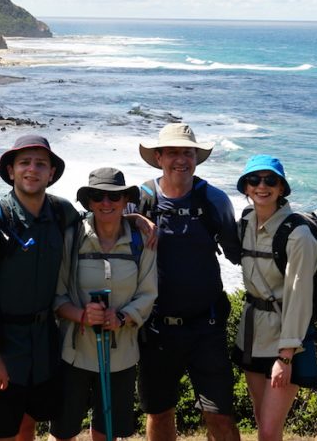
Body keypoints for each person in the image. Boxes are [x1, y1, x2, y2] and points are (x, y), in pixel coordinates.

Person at [0, 134, 80, 441]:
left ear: (51, 173)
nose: (32, 170)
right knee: (0, 433)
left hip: (43, 346)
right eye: (24, 162)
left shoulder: (61, 213)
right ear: (11, 171)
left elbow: (100, 222)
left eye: (41, 164)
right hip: (2, 344)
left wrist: (134, 220)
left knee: (28, 425)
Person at [134, 123, 242, 441]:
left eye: (188, 152)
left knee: (220, 415)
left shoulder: (214, 200)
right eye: (173, 152)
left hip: (206, 327)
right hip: (156, 328)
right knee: (159, 411)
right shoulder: (142, 200)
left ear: (196, 157)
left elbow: (237, 253)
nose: (181, 159)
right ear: (158, 157)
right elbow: (111, 246)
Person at [51, 167, 158, 441]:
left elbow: (148, 293)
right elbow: (56, 295)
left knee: (105, 431)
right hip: (74, 353)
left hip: (121, 355)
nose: (106, 203)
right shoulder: (72, 237)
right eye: (98, 197)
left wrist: (122, 318)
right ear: (88, 202)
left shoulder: (141, 239)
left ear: (125, 200)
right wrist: (81, 316)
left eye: (114, 197)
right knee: (63, 431)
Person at [232, 155, 317, 441]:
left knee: (269, 431)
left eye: (271, 180)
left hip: (286, 338)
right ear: (245, 187)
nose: (262, 186)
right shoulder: (245, 221)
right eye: (254, 180)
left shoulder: (299, 235)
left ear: (282, 188)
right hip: (252, 334)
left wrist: (286, 355)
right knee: (262, 423)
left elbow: (299, 296)